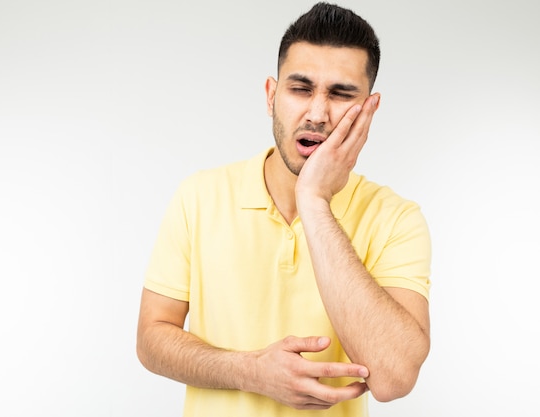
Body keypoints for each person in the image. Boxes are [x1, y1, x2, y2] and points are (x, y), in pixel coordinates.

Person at [136, 2, 431, 416]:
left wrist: (314, 202)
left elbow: (395, 376)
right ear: (272, 95)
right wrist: (248, 371)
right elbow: (151, 339)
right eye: (300, 89)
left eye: (341, 94)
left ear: (369, 109)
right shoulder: (199, 196)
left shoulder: (396, 218)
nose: (317, 114)